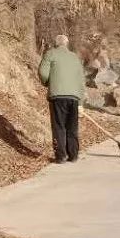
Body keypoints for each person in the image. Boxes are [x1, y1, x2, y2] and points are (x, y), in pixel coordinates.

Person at [38, 35, 86, 163]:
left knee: (59, 126)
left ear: (55, 43)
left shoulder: (50, 54)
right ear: (67, 44)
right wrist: (81, 103)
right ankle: (73, 155)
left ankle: (61, 156)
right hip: (74, 97)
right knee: (72, 126)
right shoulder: (75, 58)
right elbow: (81, 81)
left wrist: (48, 82)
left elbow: (43, 73)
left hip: (57, 96)